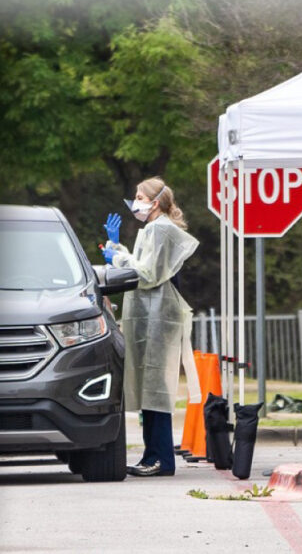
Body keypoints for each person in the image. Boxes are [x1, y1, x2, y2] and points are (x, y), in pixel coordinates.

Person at [102, 177, 200, 477]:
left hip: (159, 317)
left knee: (156, 390)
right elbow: (143, 265)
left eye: (139, 196)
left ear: (155, 202)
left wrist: (116, 257)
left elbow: (148, 274)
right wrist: (118, 247)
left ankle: (161, 459)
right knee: (150, 390)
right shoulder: (153, 230)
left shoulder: (161, 229)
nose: (135, 201)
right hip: (151, 317)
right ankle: (151, 456)